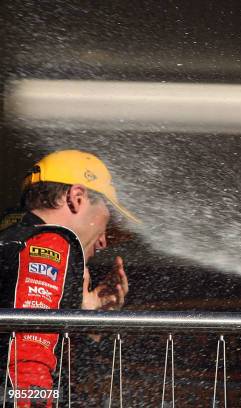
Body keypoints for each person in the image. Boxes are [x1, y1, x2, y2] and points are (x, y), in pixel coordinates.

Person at [0, 150, 139, 407]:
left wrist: (88, 322)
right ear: (76, 198)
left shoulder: (13, 237)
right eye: (106, 223)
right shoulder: (50, 241)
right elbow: (28, 351)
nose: (103, 241)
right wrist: (32, 400)